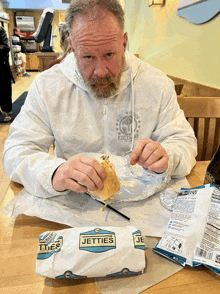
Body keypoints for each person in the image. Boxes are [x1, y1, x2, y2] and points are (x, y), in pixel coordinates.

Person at [3, 0, 197, 199]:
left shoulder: (157, 84)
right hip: (72, 203)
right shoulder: (47, 86)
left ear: (124, 43)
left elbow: (184, 142)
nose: (101, 71)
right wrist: (55, 172)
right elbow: (17, 150)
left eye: (109, 54)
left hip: (144, 203)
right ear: (72, 47)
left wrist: (168, 155)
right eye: (87, 57)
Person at [0, 25, 15, 122]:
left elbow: (6, 46)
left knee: (4, 89)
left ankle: (8, 111)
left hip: (1, 64)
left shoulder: (1, 30)